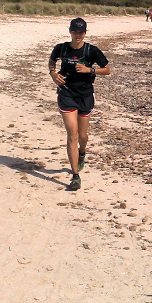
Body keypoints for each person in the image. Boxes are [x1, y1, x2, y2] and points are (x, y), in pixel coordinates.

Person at [48, 18, 110, 190]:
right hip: (66, 93)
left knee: (82, 135)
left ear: (85, 33)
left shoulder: (91, 50)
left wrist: (89, 70)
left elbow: (107, 69)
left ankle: (82, 152)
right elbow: (52, 61)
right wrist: (52, 73)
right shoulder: (61, 48)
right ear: (70, 31)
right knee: (72, 135)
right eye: (75, 31)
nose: (77, 35)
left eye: (81, 32)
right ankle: (75, 176)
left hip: (85, 95)